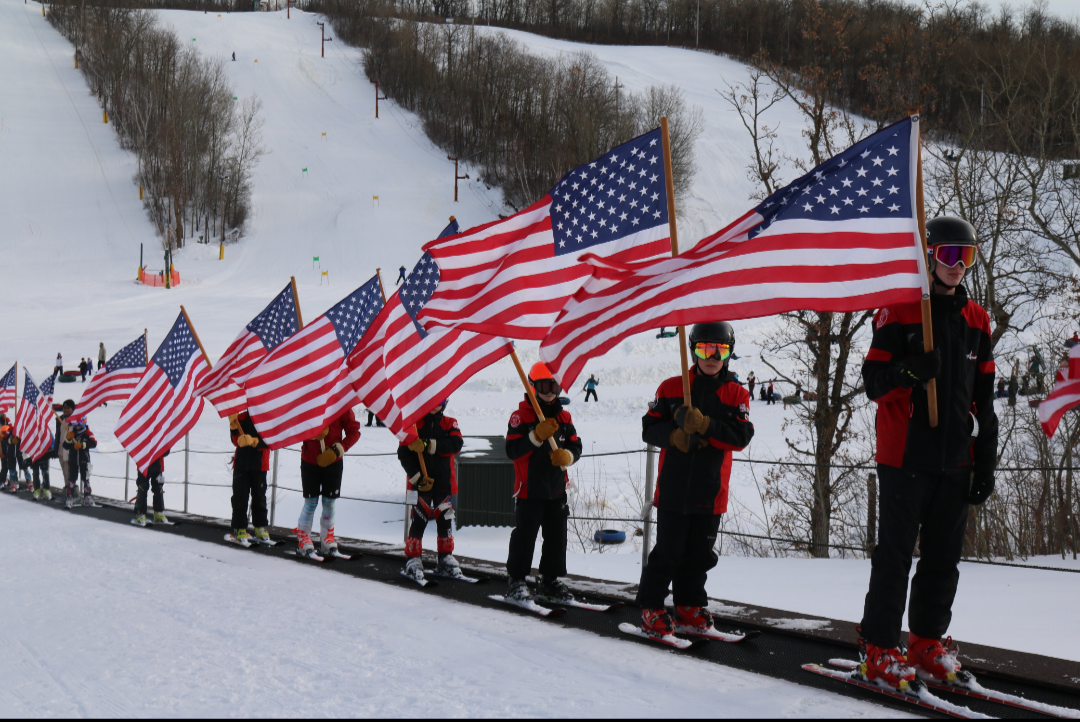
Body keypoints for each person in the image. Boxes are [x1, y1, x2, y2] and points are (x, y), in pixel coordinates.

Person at [858, 216, 998, 690]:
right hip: (904, 457)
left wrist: (985, 461)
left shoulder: (977, 321)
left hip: (956, 459)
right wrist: (910, 373)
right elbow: (874, 384)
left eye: (967, 256)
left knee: (943, 558)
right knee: (895, 556)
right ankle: (879, 647)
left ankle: (925, 641)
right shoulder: (898, 313)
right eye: (949, 255)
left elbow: (985, 401)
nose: (958, 266)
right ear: (930, 257)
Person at [635, 322, 754, 639]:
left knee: (699, 555)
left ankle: (689, 605)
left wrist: (705, 426)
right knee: (668, 552)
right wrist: (673, 436)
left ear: (728, 354)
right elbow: (649, 428)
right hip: (674, 488)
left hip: (710, 491)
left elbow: (740, 436)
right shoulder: (672, 388)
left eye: (720, 350)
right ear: (693, 351)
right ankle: (651, 607)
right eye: (704, 348)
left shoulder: (736, 393)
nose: (712, 356)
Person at [504, 362, 582, 603]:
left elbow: (575, 445)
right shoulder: (520, 417)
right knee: (525, 536)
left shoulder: (564, 417)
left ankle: (550, 579)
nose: (550, 391)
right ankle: (516, 579)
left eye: (555, 386)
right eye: (544, 385)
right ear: (532, 386)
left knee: (557, 537)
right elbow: (513, 450)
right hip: (530, 489)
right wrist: (535, 436)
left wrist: (568, 456)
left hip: (557, 488)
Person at [399, 399, 464, 581]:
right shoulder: (413, 425)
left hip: (443, 483)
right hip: (421, 484)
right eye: (432, 400)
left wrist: (429, 445)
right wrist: (417, 478)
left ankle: (445, 556)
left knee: (445, 521)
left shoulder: (450, 423)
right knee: (419, 519)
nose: (436, 404)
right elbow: (403, 453)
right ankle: (413, 558)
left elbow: (456, 444)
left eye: (440, 401)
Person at [294, 409, 361, 557]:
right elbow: (295, 425)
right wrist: (311, 434)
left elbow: (354, 432)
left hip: (333, 460)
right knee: (310, 502)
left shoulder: (342, 402)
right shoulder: (309, 401)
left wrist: (338, 449)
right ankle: (303, 538)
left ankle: (326, 538)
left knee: (329, 502)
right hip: (310, 460)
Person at [228, 412, 271, 544]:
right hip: (241, 463)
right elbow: (236, 441)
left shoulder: (267, 413)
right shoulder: (240, 414)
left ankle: (259, 526)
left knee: (259, 497)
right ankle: (239, 527)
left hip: (260, 464)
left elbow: (271, 440)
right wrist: (233, 427)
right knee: (239, 497)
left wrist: (255, 442)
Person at [63, 417, 98, 507]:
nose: (77, 426)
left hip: (84, 460)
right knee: (72, 479)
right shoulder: (71, 433)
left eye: (79, 424)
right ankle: (69, 496)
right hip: (73, 460)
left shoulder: (87, 432)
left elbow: (94, 443)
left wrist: (83, 445)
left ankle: (87, 496)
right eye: (75, 424)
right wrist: (68, 439)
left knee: (86, 479)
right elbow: (65, 446)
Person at [132, 453, 168, 526]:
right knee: (142, 486)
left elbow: (166, 450)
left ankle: (158, 512)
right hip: (144, 464)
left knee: (159, 487)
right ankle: (140, 513)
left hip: (158, 465)